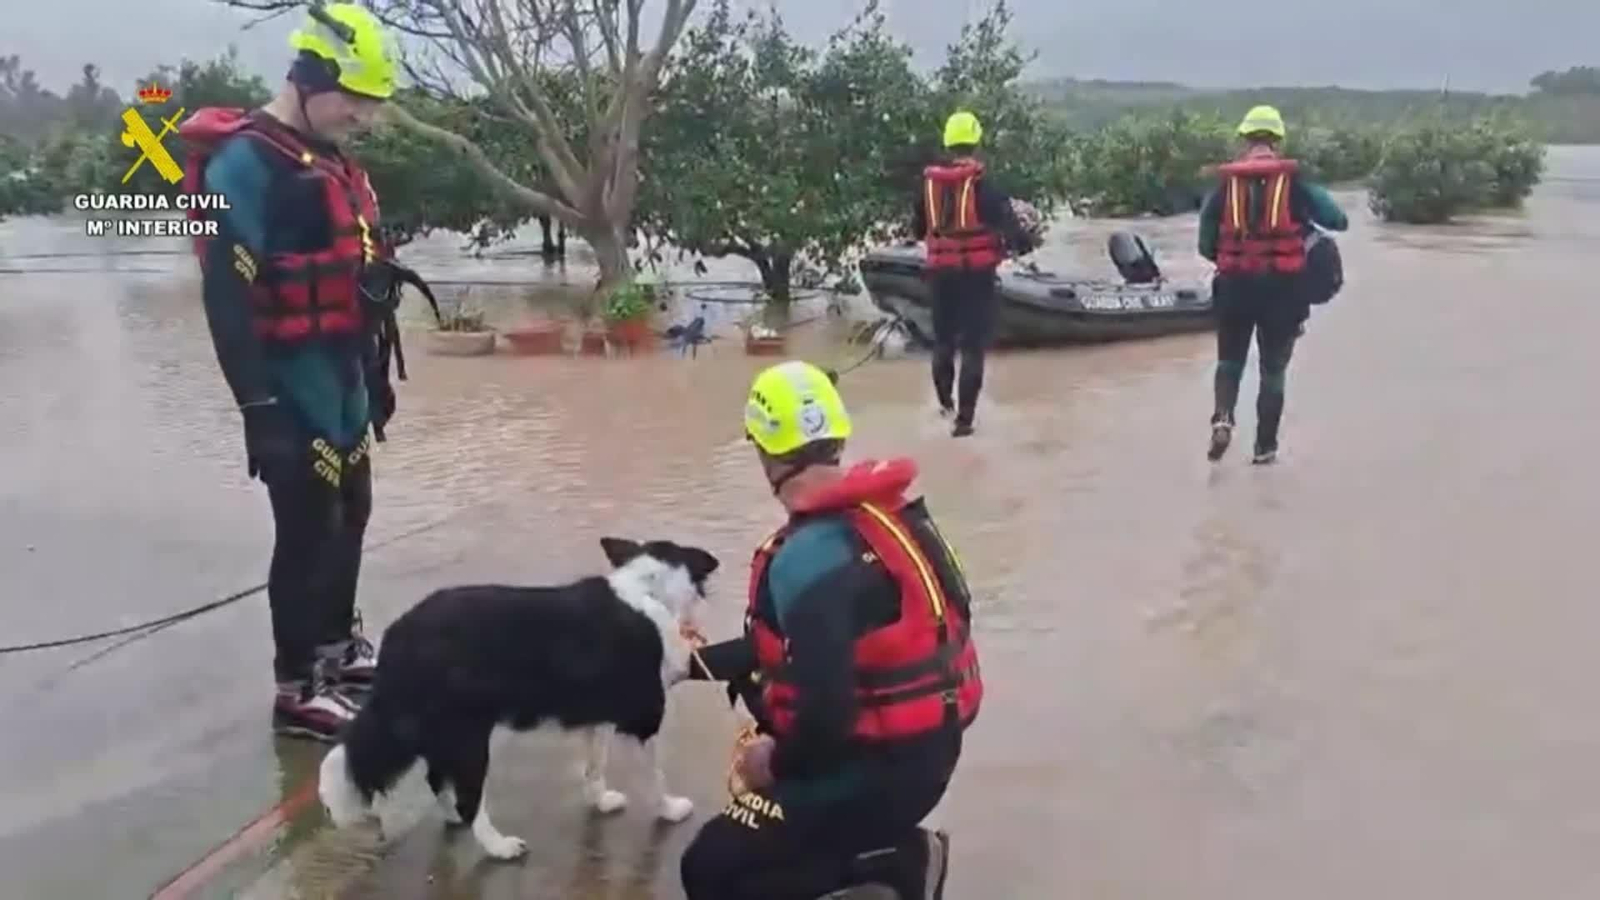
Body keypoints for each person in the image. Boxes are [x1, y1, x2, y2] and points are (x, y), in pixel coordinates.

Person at [177, 2, 410, 740]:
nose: (366, 119)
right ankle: (297, 683)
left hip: (342, 372)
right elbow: (226, 294)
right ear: (310, 78)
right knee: (306, 527)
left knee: (353, 510)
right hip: (288, 378)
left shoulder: (331, 159)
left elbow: (360, 274)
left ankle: (338, 651)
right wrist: (260, 409)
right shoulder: (244, 163)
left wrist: (375, 372)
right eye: (358, 101)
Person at [678, 360, 984, 900]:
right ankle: (882, 850)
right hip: (929, 750)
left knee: (711, 865)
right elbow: (805, 650)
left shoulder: (809, 558)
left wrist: (770, 760)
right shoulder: (891, 517)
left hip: (877, 772)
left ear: (765, 450)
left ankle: (900, 861)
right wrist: (685, 666)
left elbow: (826, 719)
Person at [1197, 105, 1349, 464]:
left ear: (1244, 139)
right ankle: (1264, 450)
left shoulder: (1224, 187)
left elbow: (1206, 246)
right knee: (1273, 371)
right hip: (1283, 291)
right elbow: (1339, 221)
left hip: (1235, 287)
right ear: (1278, 140)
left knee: (1229, 362)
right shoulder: (1296, 184)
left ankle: (1222, 419)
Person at [911, 111, 1037, 437]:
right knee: (972, 348)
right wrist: (1023, 243)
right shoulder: (985, 187)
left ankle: (944, 406)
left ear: (948, 144)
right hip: (977, 276)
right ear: (977, 142)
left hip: (940, 275)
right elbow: (1012, 231)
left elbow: (918, 229)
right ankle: (964, 423)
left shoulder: (928, 187)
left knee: (942, 342)